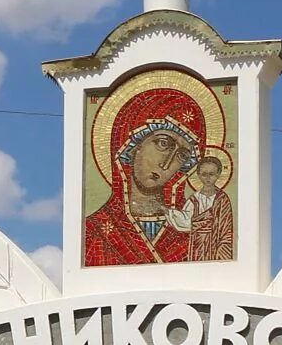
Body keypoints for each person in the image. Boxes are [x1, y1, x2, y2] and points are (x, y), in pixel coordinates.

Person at [81, 82, 234, 265]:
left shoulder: (195, 227)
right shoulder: (93, 233)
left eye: (181, 155)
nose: (166, 163)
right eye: (162, 143)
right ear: (131, 145)